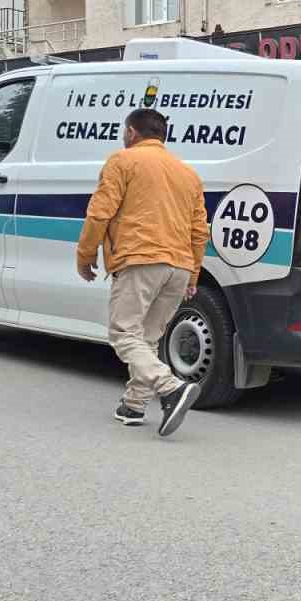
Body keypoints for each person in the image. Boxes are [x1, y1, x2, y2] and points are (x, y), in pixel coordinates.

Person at [76, 108, 207, 438]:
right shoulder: (188, 174)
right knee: (146, 338)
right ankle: (134, 405)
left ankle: (171, 387)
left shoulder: (122, 161)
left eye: (124, 131)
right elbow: (198, 231)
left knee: (124, 334)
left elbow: (100, 212)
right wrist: (192, 275)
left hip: (140, 258)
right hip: (178, 266)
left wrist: (85, 255)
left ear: (132, 133)